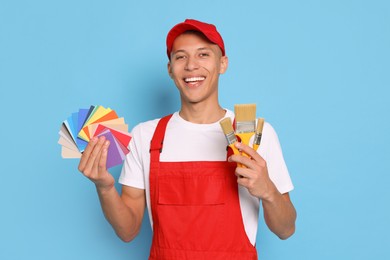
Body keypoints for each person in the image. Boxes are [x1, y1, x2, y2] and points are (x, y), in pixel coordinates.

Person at [78, 19, 296, 259]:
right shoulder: (145, 136)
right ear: (170, 69)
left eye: (203, 54)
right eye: (180, 57)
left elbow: (286, 230)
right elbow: (128, 231)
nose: (192, 65)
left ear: (223, 64)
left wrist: (269, 192)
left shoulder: (256, 134)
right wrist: (105, 187)